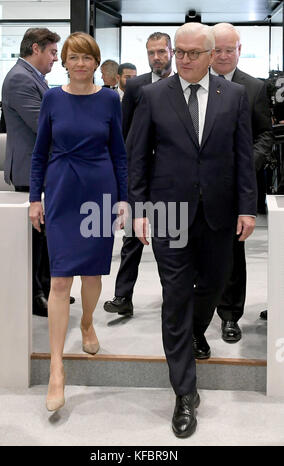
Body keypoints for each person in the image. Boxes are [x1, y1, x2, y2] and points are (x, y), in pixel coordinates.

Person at [128, 22, 257, 438]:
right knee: (176, 296)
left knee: (216, 286)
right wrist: (139, 210)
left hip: (219, 212)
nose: (182, 59)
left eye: (191, 53)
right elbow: (138, 158)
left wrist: (248, 208)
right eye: (177, 52)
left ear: (210, 54)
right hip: (168, 213)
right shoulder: (151, 96)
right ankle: (184, 392)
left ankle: (196, 332)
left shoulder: (233, 96)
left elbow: (242, 157)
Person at [29, 32, 128, 412]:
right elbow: (39, 154)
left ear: (96, 62)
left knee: (91, 275)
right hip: (61, 192)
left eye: (88, 57)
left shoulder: (108, 99)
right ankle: (57, 368)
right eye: (74, 57)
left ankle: (87, 321)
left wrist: (122, 199)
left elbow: (118, 152)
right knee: (59, 278)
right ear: (65, 62)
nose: (81, 63)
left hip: (99, 190)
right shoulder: (53, 97)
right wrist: (34, 198)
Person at [203, 22, 273, 346]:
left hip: (235, 186)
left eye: (229, 49)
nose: (223, 55)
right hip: (195, 186)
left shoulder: (254, 88)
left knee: (232, 251)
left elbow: (264, 135)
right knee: (195, 252)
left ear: (239, 50)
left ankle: (230, 316)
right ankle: (196, 317)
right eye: (217, 49)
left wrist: (246, 167)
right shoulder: (192, 85)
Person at [104, 32, 174, 317]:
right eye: (151, 52)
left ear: (171, 51)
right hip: (140, 175)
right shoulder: (135, 87)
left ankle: (174, 298)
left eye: (161, 51)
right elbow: (124, 135)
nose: (156, 57)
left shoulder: (183, 85)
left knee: (171, 242)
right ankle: (123, 297)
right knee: (132, 238)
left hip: (171, 176)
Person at [2, 28, 60, 317]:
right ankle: (35, 295)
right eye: (52, 52)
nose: (56, 59)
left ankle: (48, 289)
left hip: (41, 170)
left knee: (44, 236)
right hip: (29, 171)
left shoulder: (33, 77)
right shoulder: (19, 79)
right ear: (35, 49)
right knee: (34, 239)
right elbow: (43, 126)